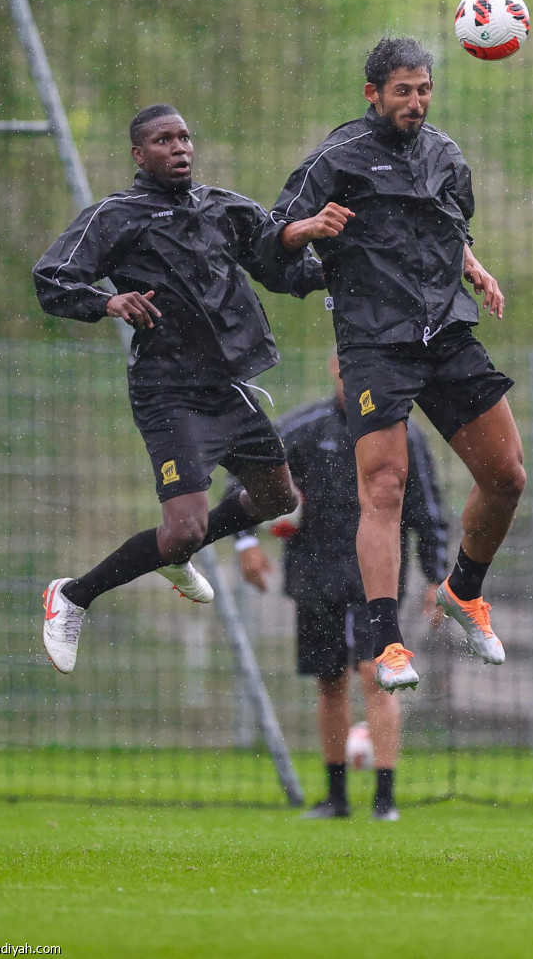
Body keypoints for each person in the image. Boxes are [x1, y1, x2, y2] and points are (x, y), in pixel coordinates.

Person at [262, 36, 526, 693]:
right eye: (402, 91)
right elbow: (272, 238)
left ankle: (463, 592)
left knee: (508, 477)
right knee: (385, 488)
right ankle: (386, 643)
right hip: (375, 340)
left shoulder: (445, 156)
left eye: (424, 90)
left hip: (447, 334)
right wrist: (309, 230)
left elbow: (448, 228)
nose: (415, 102)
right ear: (372, 93)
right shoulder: (339, 155)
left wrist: (472, 264)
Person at [33, 105, 324, 674]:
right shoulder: (116, 216)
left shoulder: (222, 208)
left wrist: (332, 264)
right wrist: (107, 301)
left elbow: (277, 262)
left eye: (185, 137)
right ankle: (72, 596)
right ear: (139, 155)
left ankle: (176, 551)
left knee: (278, 499)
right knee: (185, 525)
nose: (180, 147)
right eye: (164, 140)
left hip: (226, 387)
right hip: (167, 392)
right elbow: (52, 279)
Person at [233, 351, 449, 821]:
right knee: (330, 683)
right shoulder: (303, 427)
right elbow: (244, 473)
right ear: (333, 367)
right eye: (342, 365)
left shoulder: (402, 432)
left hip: (378, 585)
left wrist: (436, 575)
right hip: (314, 578)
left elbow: (426, 509)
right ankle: (335, 798)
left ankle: (385, 800)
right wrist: (245, 540)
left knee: (378, 676)